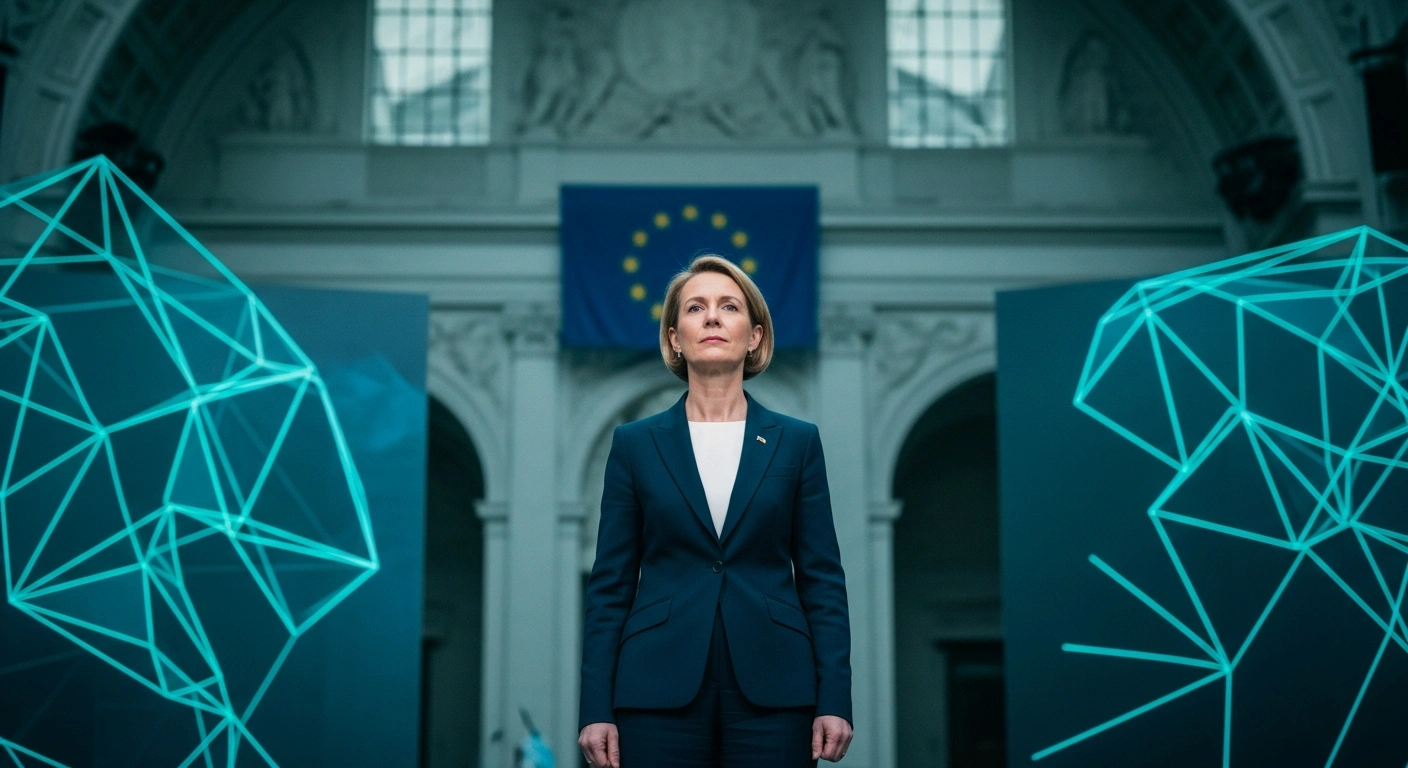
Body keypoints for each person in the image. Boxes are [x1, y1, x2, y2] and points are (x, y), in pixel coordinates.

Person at [578, 255, 854, 768]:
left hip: (777, 689)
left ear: (754, 336)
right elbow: (610, 586)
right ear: (675, 339)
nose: (711, 317)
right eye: (695, 307)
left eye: (729, 306)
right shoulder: (634, 444)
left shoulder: (797, 442)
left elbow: (822, 581)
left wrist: (835, 698)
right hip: (656, 688)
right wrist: (595, 707)